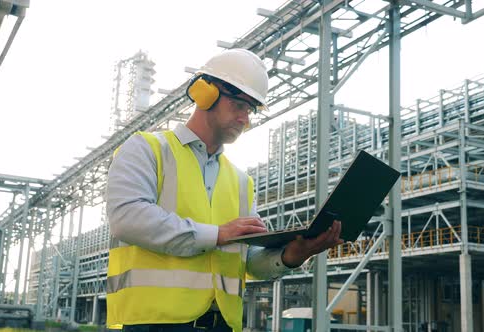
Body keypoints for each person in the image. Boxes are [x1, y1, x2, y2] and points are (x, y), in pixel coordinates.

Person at [106, 48, 343, 332]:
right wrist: (218, 234)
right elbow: (127, 218)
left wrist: (293, 255)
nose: (245, 119)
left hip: (224, 325)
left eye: (251, 109)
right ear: (205, 93)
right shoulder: (147, 149)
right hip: (153, 323)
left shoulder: (241, 182)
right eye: (239, 105)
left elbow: (248, 262)